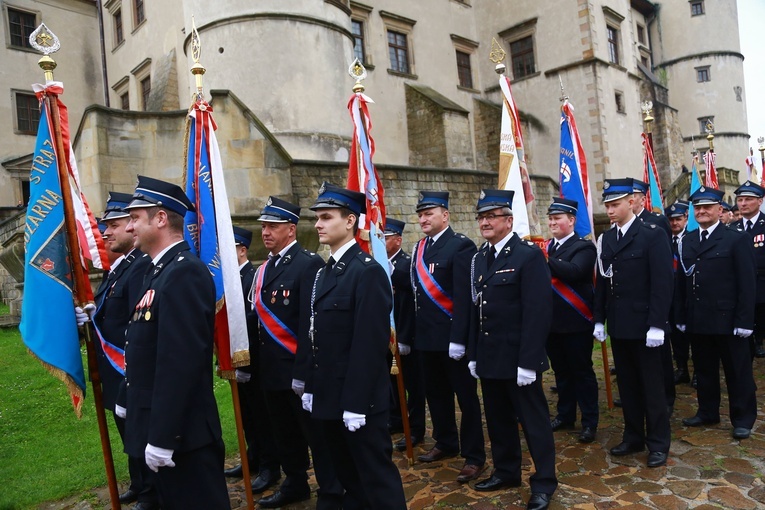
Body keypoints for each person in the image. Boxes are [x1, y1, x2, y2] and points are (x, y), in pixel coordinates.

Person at [121, 175, 230, 509]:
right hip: (160, 426)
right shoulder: (157, 271)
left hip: (184, 438)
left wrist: (163, 437)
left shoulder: (185, 272)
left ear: (161, 218)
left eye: (135, 218)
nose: (128, 228)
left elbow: (179, 363)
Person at [302, 183, 406, 509]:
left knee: (377, 480)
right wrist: (310, 385)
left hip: (360, 402)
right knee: (349, 478)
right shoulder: (325, 272)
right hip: (330, 394)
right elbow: (315, 334)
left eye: (326, 217)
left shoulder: (367, 272)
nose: (318, 224)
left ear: (350, 221)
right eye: (317, 217)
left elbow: (369, 344)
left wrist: (357, 403)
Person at [250, 197, 343, 508]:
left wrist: (304, 372)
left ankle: (332, 488)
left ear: (290, 229)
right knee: (284, 433)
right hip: (271, 369)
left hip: (298, 369)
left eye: (272, 226)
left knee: (316, 434)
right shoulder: (264, 268)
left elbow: (309, 326)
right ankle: (295, 482)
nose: (265, 232)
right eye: (263, 226)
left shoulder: (308, 264)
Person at [467, 189, 556, 510]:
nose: (484, 222)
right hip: (491, 356)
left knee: (534, 423)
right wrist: (475, 355)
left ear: (508, 220)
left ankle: (544, 482)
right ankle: (506, 471)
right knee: (498, 419)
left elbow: (538, 312)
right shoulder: (481, 258)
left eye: (491, 217)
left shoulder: (527, 255)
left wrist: (529, 361)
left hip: (520, 358)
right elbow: (478, 310)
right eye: (481, 217)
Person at [78, 193, 157, 509]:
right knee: (129, 433)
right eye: (104, 225)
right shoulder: (120, 267)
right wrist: (91, 311)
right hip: (115, 368)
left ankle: (151, 492)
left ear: (132, 228)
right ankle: (139, 484)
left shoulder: (138, 266)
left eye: (113, 225)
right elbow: (113, 309)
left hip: (128, 366)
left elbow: (136, 319)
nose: (105, 232)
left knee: (140, 434)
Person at [593, 178, 673, 468]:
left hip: (645, 325)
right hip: (619, 323)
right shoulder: (607, 238)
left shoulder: (651, 234)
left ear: (631, 202)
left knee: (652, 387)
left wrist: (657, 324)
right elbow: (603, 282)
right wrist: (599, 319)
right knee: (627, 385)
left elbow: (663, 283)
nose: (611, 211)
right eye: (608, 206)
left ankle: (658, 442)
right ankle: (633, 436)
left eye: (615, 205)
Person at [410, 191, 486, 483]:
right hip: (426, 340)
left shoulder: (460, 246)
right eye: (421, 214)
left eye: (429, 213)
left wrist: (459, 339)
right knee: (436, 395)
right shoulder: (418, 249)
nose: (423, 219)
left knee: (466, 399)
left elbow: (465, 299)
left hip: (454, 341)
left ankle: (474, 455)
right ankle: (446, 441)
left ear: (445, 215)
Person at [676, 187, 757, 440]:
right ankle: (707, 411)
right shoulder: (687, 240)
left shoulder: (735, 238)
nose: (701, 211)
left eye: (707, 207)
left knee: (737, 372)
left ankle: (742, 418)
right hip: (698, 317)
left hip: (729, 319)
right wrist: (680, 315)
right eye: (697, 208)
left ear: (719, 209)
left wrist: (744, 320)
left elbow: (747, 282)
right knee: (704, 369)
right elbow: (681, 283)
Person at [227, 226, 282, 497]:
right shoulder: (227, 281)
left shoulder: (252, 276)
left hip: (255, 363)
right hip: (237, 362)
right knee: (247, 415)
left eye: (230, 248)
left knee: (262, 417)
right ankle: (253, 456)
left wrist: (247, 364)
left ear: (242, 250)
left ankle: (270, 467)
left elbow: (252, 324)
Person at [544, 197, 599, 444]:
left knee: (582, 373)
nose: (553, 222)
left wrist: (545, 259)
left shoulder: (583, 247)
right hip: (552, 323)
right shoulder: (547, 247)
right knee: (561, 373)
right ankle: (566, 415)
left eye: (558, 219)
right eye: (551, 219)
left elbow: (576, 272)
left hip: (576, 322)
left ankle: (589, 421)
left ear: (571, 220)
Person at [631, 179, 675, 411]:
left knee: (660, 356)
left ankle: (666, 396)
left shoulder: (655, 222)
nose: (632, 198)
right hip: (634, 301)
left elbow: (663, 264)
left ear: (642, 198)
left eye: (636, 194)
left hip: (654, 296)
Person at [384, 218, 426, 451]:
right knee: (391, 382)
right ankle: (397, 420)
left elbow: (410, 305)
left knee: (413, 385)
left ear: (398, 240)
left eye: (386, 238)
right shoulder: (379, 264)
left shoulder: (406, 264)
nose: (381, 242)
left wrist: (406, 338)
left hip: (405, 337)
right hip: (387, 337)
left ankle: (416, 428)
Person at [730, 180, 765, 358]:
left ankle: (759, 340)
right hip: (738, 282)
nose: (743, 204)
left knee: (760, 314)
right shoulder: (732, 228)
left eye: (748, 200)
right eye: (740, 200)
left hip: (761, 282)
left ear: (760, 201)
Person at [665, 201, 691, 385]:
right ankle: (681, 368)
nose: (674, 223)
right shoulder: (664, 240)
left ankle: (698, 371)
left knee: (694, 335)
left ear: (686, 219)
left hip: (689, 295)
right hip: (670, 295)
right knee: (675, 335)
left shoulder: (692, 238)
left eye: (678, 219)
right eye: (671, 220)